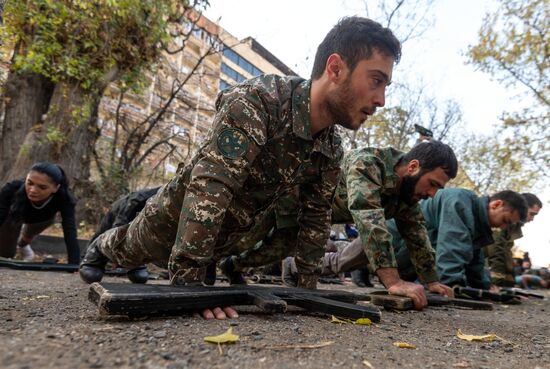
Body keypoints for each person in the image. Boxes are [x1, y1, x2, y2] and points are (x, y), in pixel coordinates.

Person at [80, 16, 402, 320]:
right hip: (175, 219)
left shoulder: (331, 147)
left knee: (201, 256)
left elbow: (316, 218)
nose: (381, 99)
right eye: (376, 80)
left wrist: (307, 291)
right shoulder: (260, 101)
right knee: (130, 249)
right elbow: (211, 187)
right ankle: (99, 247)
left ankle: (193, 262)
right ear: (335, 68)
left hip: (231, 234)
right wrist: (188, 287)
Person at [226, 140, 458, 309]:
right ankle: (204, 261)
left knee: (274, 250)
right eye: (432, 184)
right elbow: (369, 221)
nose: (432, 194)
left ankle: (232, 267)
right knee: (244, 237)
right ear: (413, 167)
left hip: (316, 217)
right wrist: (394, 281)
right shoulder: (368, 163)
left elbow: (417, 234)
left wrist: (431, 280)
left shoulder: (407, 193)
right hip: (290, 198)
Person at [393, 189, 527, 290]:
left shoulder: (476, 217)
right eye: (505, 221)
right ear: (496, 204)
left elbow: (474, 258)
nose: (503, 227)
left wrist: (484, 286)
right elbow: (451, 247)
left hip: (407, 254)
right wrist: (452, 285)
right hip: (393, 248)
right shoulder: (460, 202)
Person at [0, 162, 80, 264]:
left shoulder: (64, 198)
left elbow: (70, 230)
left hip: (42, 219)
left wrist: (74, 263)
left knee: (30, 234)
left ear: (55, 188)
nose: (33, 190)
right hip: (12, 217)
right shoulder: (11, 188)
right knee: (6, 254)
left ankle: (23, 244)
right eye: (30, 183)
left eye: (42, 187)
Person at [87, 187, 161, 283]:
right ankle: (88, 260)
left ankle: (133, 265)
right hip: (119, 210)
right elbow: (119, 227)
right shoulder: (139, 199)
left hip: (138, 218)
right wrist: (114, 255)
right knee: (100, 235)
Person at [485, 193, 542, 287]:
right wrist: (497, 282)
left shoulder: (513, 226)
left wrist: (509, 284)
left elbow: (506, 253)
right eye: (532, 214)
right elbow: (496, 249)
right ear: (523, 208)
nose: (532, 219)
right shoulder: (504, 220)